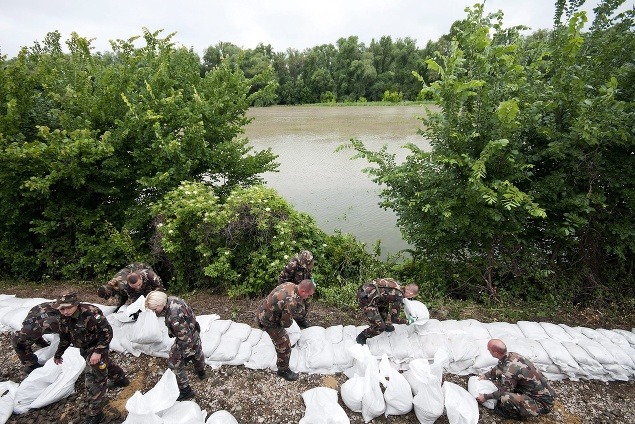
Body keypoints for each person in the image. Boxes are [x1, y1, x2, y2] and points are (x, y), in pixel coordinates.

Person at [53, 292, 129, 424]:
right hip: (84, 348)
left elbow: (107, 332)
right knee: (105, 366)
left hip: (97, 347)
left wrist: (98, 351)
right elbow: (65, 337)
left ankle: (96, 414)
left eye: (67, 308)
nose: (64, 311)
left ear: (76, 305)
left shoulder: (91, 313)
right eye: (61, 308)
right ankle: (121, 379)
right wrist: (58, 353)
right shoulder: (64, 316)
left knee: (94, 380)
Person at [145, 290, 206, 401]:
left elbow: (185, 338)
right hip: (194, 330)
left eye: (154, 309)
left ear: (160, 303)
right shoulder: (173, 299)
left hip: (187, 338)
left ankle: (185, 391)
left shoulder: (173, 316)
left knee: (174, 364)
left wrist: (186, 354)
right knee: (197, 353)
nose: (154, 312)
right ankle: (201, 372)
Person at [476, 339, 556, 420]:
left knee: (505, 397)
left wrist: (485, 397)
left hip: (541, 403)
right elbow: (499, 366)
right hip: (543, 394)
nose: (488, 351)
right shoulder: (512, 355)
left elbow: (504, 391)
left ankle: (515, 415)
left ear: (495, 353)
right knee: (503, 380)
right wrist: (486, 375)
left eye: (489, 350)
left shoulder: (509, 370)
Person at [256, 279, 316, 381]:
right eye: (309, 295)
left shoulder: (290, 285)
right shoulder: (291, 302)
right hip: (268, 321)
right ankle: (283, 370)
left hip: (262, 311)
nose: (308, 297)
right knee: (285, 345)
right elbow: (286, 324)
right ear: (303, 292)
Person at [355, 278, 419, 345]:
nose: (410, 298)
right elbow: (394, 319)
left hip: (365, 289)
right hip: (364, 299)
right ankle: (362, 336)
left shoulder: (398, 285)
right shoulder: (399, 296)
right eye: (412, 296)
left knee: (385, 304)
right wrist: (409, 321)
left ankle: (384, 322)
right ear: (410, 293)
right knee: (381, 327)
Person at [12, 301, 61, 375]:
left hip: (45, 311)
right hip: (39, 315)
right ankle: (31, 366)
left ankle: (31, 365)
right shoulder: (24, 337)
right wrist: (46, 347)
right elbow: (34, 337)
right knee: (21, 346)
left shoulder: (53, 323)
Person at [97, 263, 164, 316]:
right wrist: (136, 309)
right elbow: (133, 297)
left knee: (151, 296)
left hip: (141, 269)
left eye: (139, 285)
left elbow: (160, 288)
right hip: (133, 274)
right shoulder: (123, 285)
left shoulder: (150, 275)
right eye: (134, 287)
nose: (137, 288)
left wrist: (152, 301)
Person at [278, 250, 315, 328]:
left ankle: (302, 320)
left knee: (307, 303)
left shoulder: (308, 264)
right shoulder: (292, 265)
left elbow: (308, 274)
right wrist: (288, 292)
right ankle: (291, 321)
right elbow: (282, 279)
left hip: (303, 287)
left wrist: (311, 282)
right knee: (295, 306)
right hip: (292, 289)